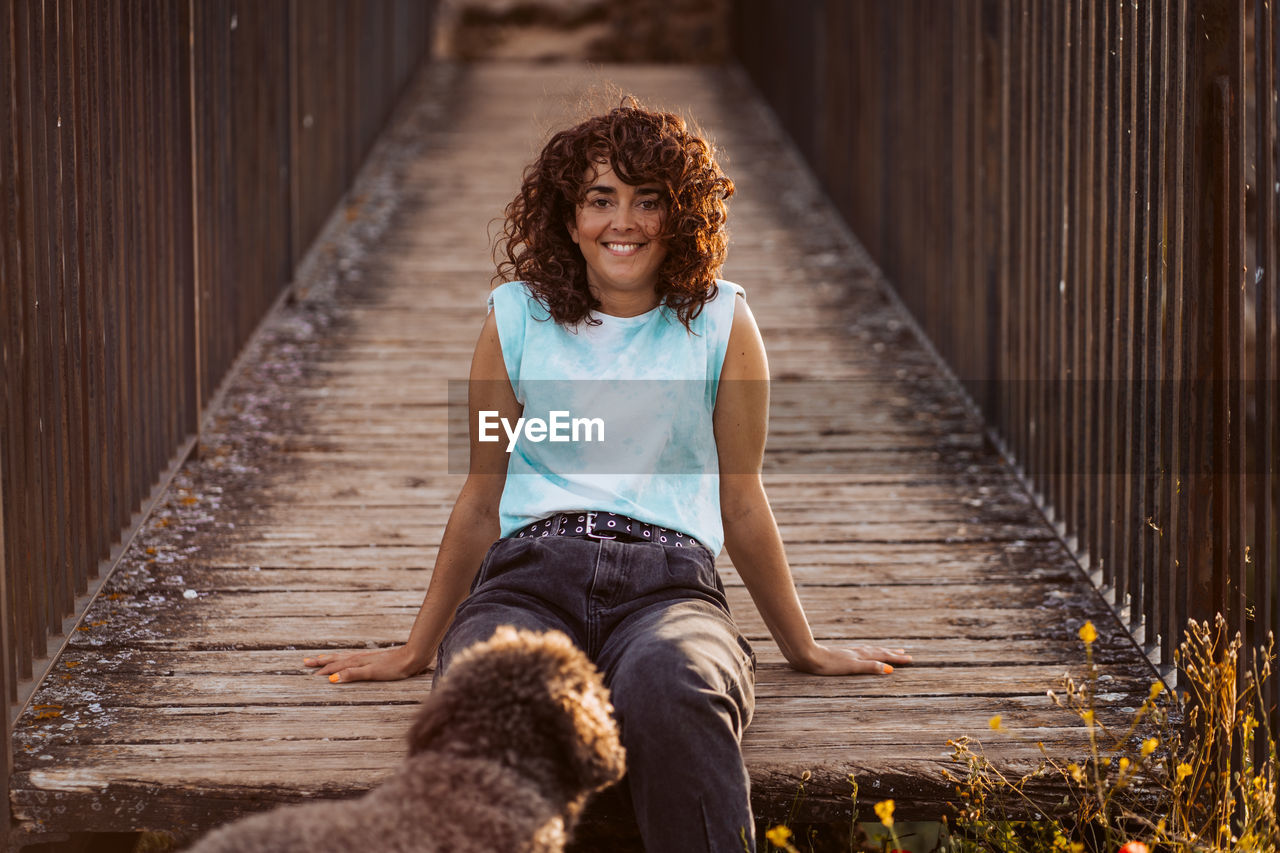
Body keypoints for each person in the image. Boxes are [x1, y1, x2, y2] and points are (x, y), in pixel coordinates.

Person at [303, 98, 910, 853]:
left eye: (647, 200)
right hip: (528, 577)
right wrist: (416, 647)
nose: (622, 220)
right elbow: (483, 496)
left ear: (679, 215)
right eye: (601, 199)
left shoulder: (722, 320)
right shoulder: (515, 317)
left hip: (670, 584)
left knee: (673, 684)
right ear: (569, 217)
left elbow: (743, 500)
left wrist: (805, 647)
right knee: (491, 695)